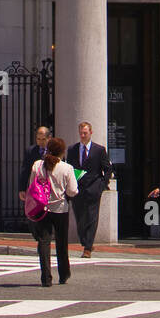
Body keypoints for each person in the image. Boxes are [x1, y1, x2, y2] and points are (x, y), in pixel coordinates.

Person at [27, 136, 77, 286]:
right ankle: (63, 274)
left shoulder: (38, 165)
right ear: (62, 152)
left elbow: (31, 185)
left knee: (43, 242)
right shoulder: (67, 168)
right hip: (60, 208)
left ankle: (46, 277)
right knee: (61, 242)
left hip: (42, 208)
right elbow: (73, 191)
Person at [66, 122, 112, 258]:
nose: (82, 135)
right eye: (81, 132)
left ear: (91, 133)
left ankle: (87, 248)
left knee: (92, 218)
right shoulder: (72, 149)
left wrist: (102, 184)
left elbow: (107, 169)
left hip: (93, 188)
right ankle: (86, 241)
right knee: (80, 218)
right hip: (78, 189)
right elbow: (70, 168)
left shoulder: (99, 150)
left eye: (85, 133)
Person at [19, 126, 52, 203]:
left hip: (51, 188)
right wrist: (22, 189)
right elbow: (25, 171)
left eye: (43, 139)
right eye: (38, 139)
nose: (41, 142)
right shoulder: (30, 151)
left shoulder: (54, 150)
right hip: (36, 188)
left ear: (49, 138)